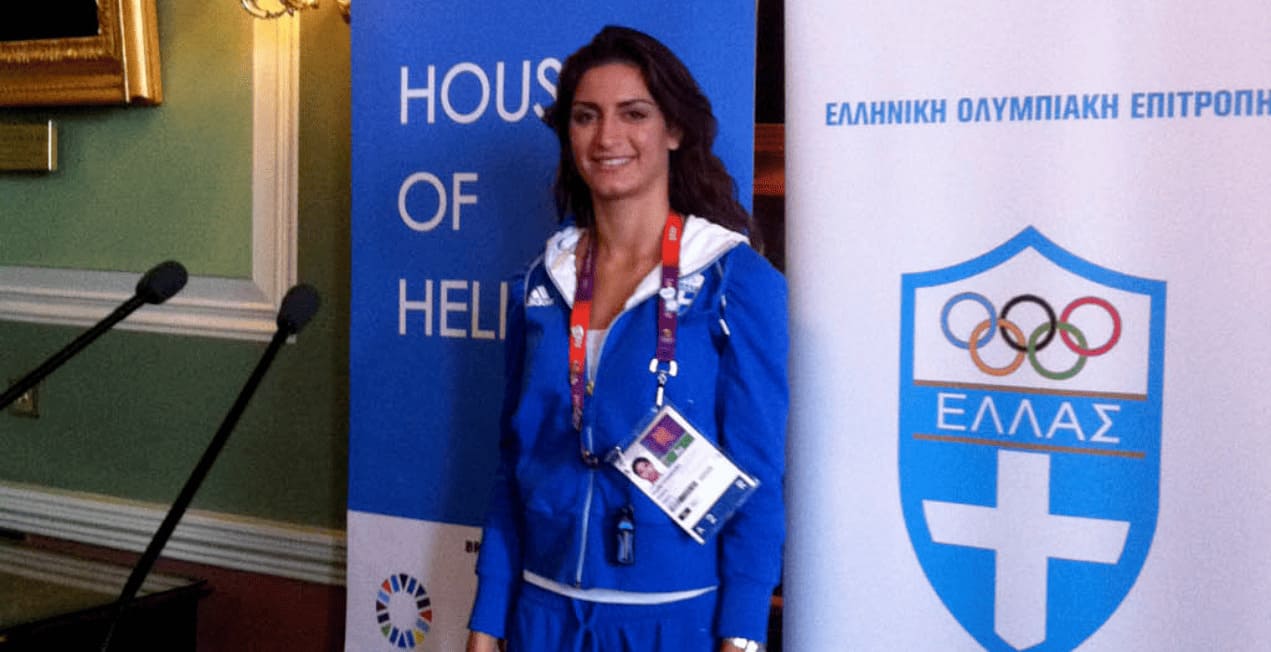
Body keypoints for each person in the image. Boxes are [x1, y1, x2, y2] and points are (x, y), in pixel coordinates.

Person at [466, 25, 787, 652]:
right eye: (586, 116)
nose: (607, 137)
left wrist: (743, 636)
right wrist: (488, 616)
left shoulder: (735, 281)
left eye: (633, 114)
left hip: (671, 621)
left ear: (674, 130)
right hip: (541, 614)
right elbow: (514, 460)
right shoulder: (542, 283)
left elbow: (757, 478)